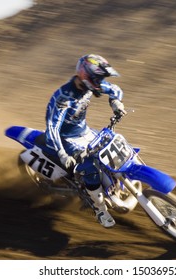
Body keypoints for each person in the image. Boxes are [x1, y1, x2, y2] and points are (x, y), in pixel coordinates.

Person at [44, 54, 126, 228]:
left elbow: (115, 89)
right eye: (98, 79)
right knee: (89, 168)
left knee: (116, 146)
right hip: (66, 139)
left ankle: (116, 183)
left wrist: (116, 102)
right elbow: (52, 127)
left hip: (85, 131)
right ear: (86, 76)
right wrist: (62, 154)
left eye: (101, 79)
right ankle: (100, 209)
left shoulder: (90, 86)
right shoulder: (64, 97)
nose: (100, 83)